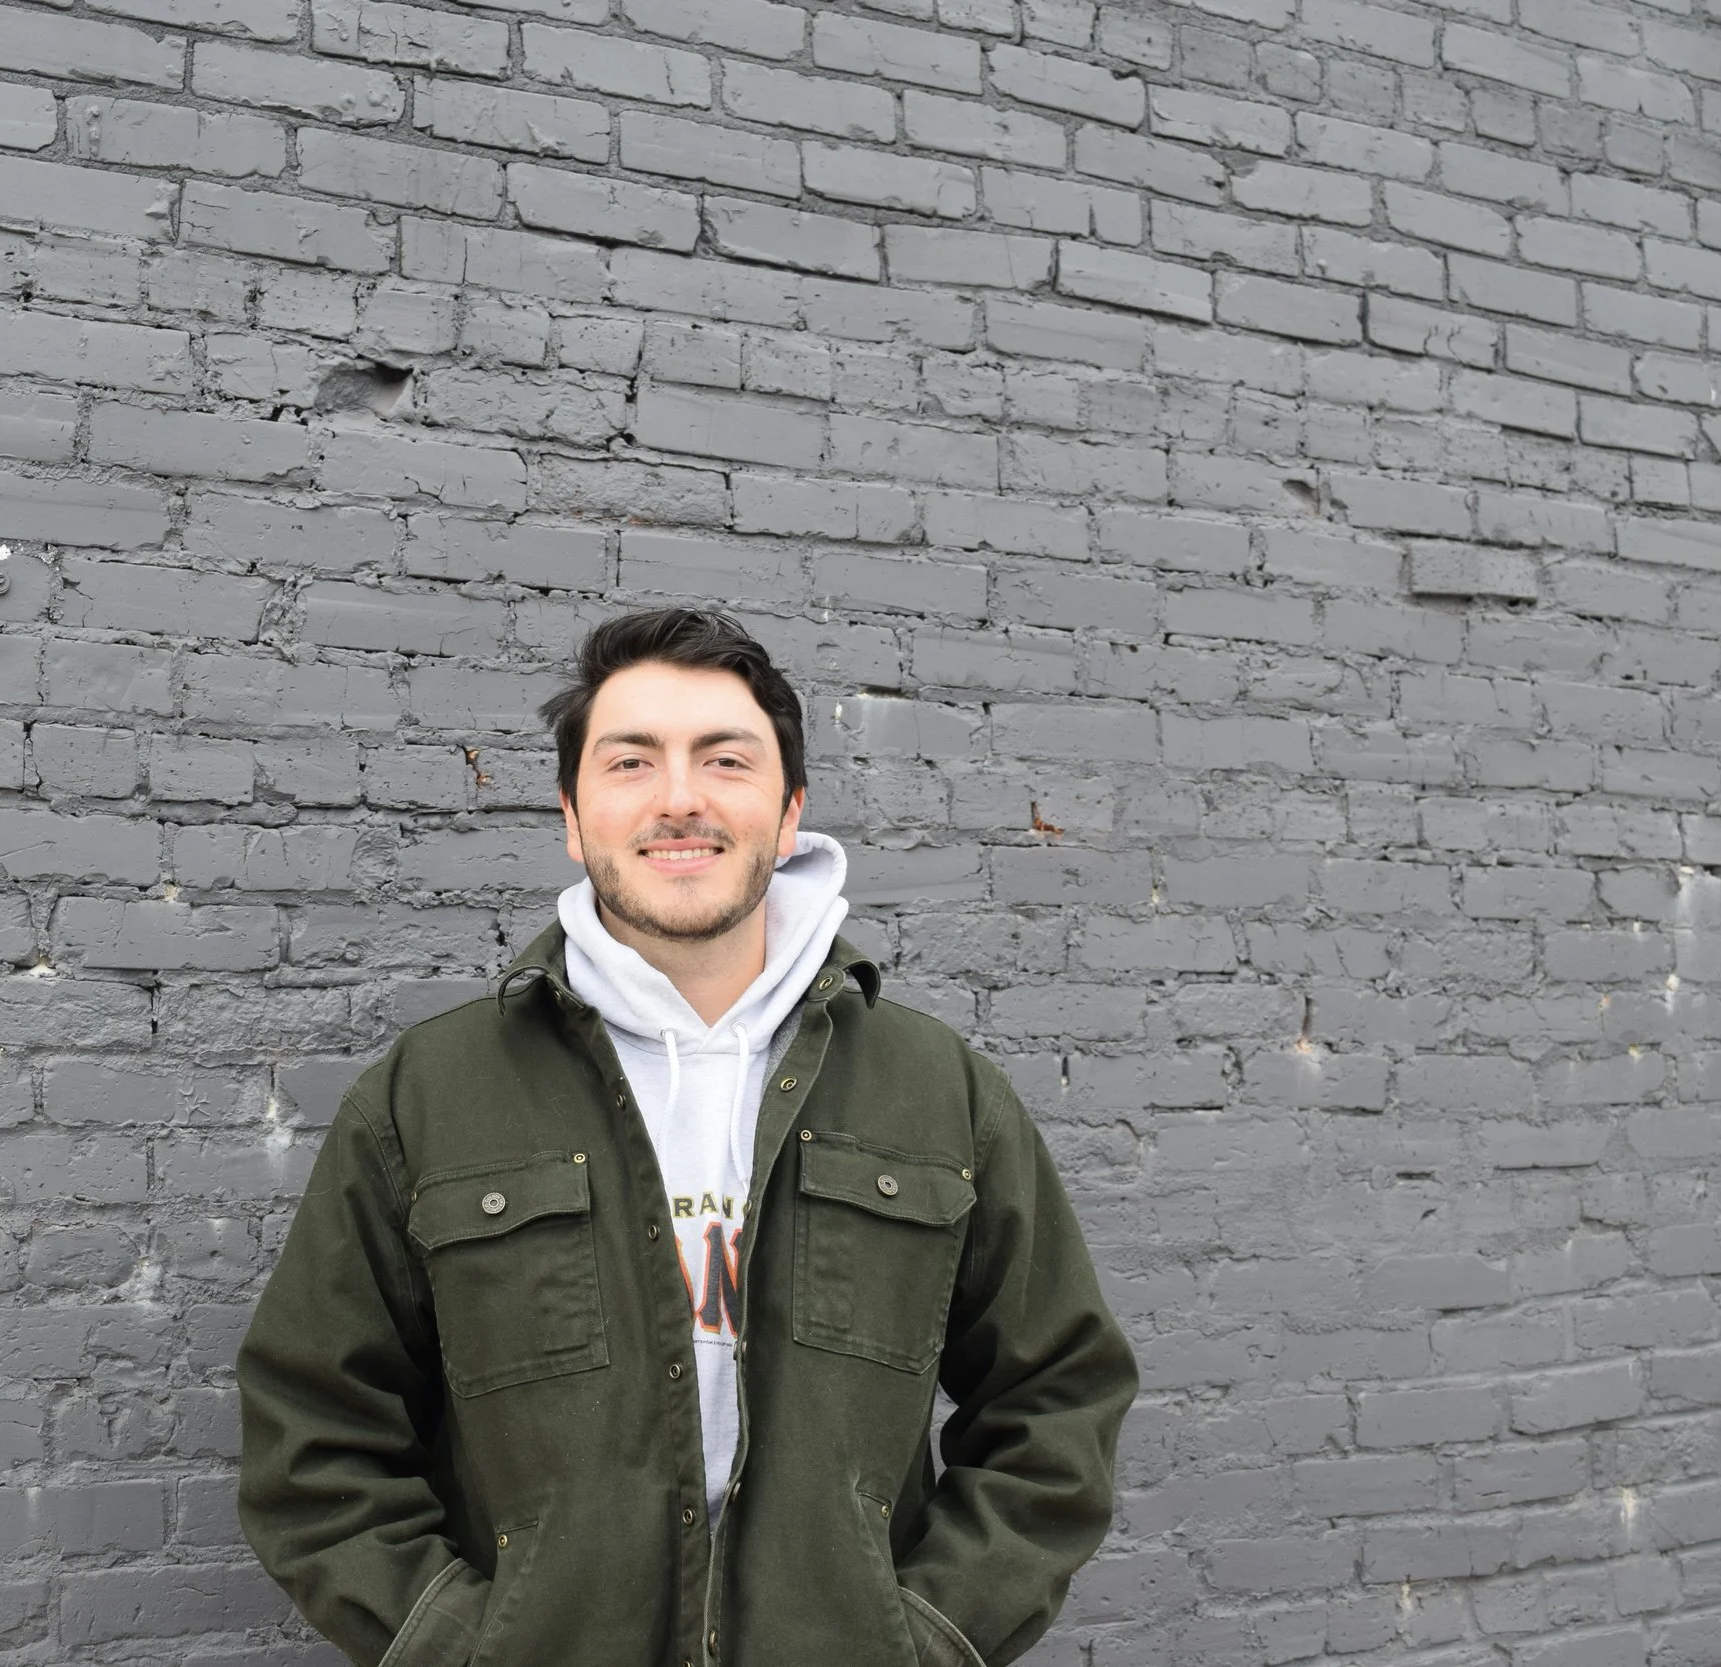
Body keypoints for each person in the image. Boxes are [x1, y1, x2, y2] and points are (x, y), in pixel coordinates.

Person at [237, 607, 1139, 1667]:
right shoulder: (429, 1094)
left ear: (789, 807)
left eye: (725, 758)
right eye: (630, 760)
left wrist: (927, 1637)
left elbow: (1057, 1397)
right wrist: (460, 1645)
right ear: (572, 814)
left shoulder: (937, 1093)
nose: (679, 797)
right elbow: (312, 1428)